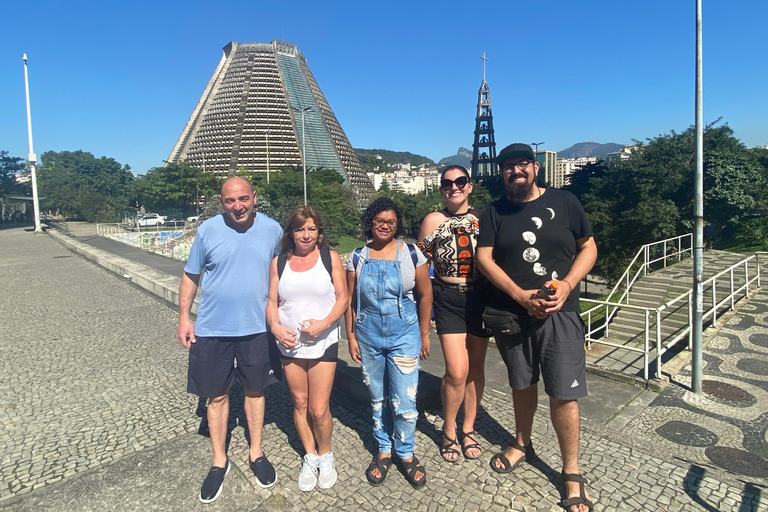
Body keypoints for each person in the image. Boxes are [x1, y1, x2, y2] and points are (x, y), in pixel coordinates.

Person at [476, 144, 598, 512]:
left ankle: (572, 470)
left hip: (561, 314)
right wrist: (519, 294)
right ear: (502, 174)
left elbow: (588, 247)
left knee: (563, 392)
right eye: (508, 167)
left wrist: (568, 285)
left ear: (536, 167)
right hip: (515, 314)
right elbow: (484, 258)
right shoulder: (495, 213)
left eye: (522, 164)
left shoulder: (566, 201)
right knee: (521, 384)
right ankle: (521, 442)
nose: (516, 171)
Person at [177, 177, 283, 504]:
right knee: (217, 397)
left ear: (254, 198)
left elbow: (284, 273)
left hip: (257, 328)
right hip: (213, 329)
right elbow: (191, 274)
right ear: (221, 202)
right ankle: (218, 460)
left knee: (255, 391)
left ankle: (256, 452)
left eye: (243, 199)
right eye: (229, 201)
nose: (237, 206)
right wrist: (183, 317)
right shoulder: (207, 230)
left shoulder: (273, 230)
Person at [345, 197, 433, 490]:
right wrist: (352, 337)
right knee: (378, 397)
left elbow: (425, 294)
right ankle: (383, 449)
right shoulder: (357, 257)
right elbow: (350, 302)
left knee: (406, 400)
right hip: (368, 335)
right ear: (370, 222)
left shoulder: (412, 254)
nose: (385, 226)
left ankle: (405, 452)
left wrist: (423, 333)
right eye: (380, 221)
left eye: (391, 222)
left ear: (397, 224)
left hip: (404, 334)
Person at [266, 206, 348, 492]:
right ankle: (310, 455)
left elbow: (343, 298)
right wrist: (276, 328)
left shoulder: (329, 258)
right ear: (291, 232)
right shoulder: (279, 262)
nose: (306, 234)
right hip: (289, 344)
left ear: (319, 232)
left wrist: (324, 323)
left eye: (311, 229)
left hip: (323, 341)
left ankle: (326, 454)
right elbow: (271, 302)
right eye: (300, 229)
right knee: (300, 403)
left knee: (319, 407)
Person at [417, 165, 489, 463]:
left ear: (470, 186)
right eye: (448, 183)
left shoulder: (484, 219)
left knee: (476, 370)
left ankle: (468, 427)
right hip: (447, 297)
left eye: (460, 181)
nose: (454, 187)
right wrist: (424, 312)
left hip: (480, 296)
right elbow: (419, 266)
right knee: (457, 371)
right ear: (441, 189)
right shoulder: (433, 220)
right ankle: (449, 429)